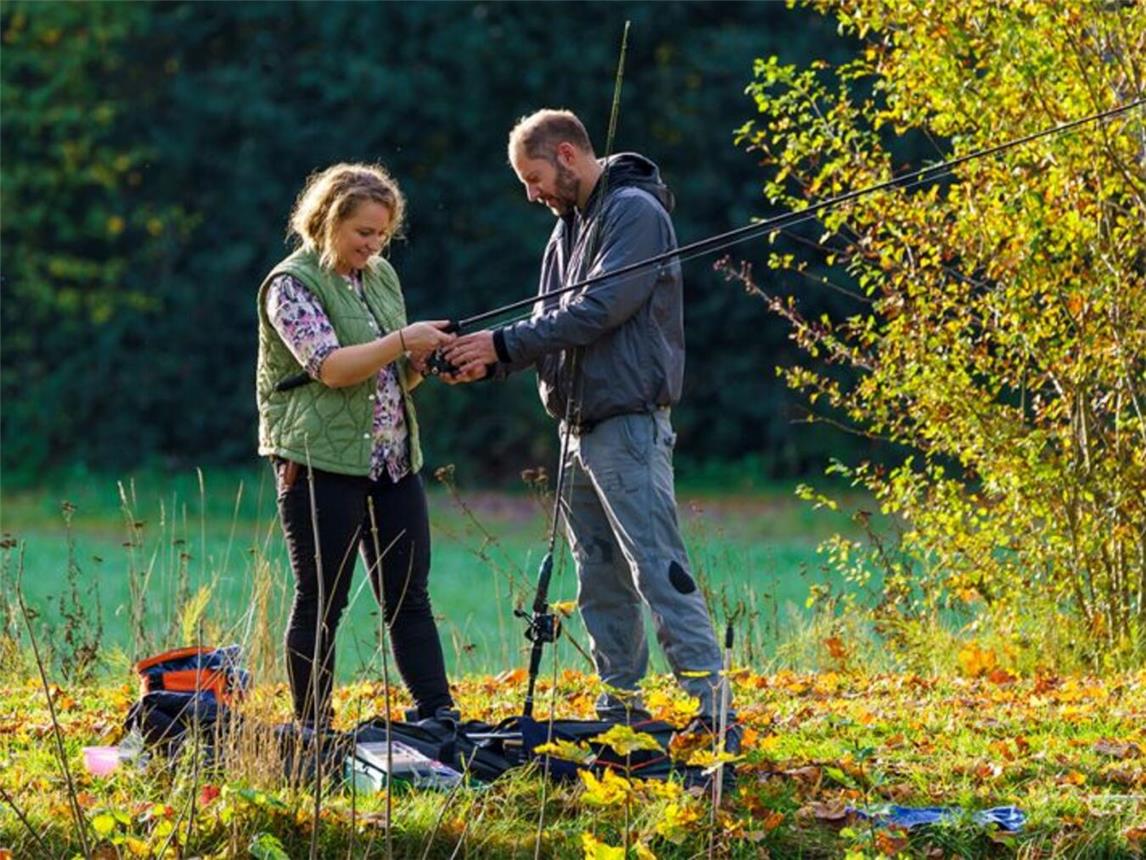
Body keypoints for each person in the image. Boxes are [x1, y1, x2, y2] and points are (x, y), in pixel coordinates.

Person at [444, 110, 734, 738]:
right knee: (598, 570)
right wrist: (484, 363)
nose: (532, 194)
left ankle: (715, 709)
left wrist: (501, 343)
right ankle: (621, 708)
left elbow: (601, 307)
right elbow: (550, 326)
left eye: (535, 177)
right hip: (576, 429)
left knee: (655, 564)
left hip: (627, 423)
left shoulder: (634, 213)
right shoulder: (565, 231)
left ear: (569, 154)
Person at [256, 162, 457, 728]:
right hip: (319, 462)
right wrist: (401, 339)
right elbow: (331, 368)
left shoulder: (381, 277)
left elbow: (393, 373)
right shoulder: (290, 285)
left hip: (394, 458)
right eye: (362, 233)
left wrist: (423, 360)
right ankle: (313, 725)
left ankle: (438, 714)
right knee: (322, 600)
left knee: (409, 596)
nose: (373, 245)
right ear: (326, 220)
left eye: (382, 235)